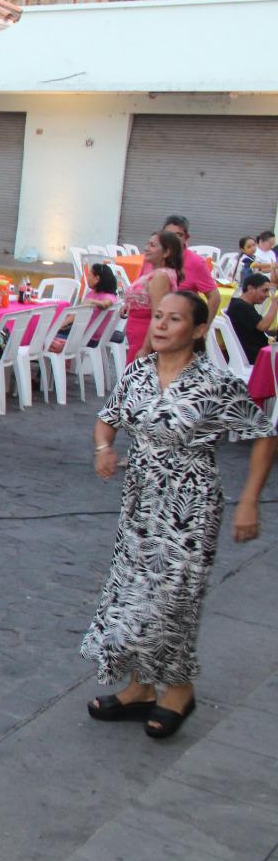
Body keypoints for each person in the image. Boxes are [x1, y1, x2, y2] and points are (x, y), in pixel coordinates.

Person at [86, 291, 275, 739]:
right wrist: (104, 447)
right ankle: (140, 687)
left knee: (173, 600)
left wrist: (250, 500)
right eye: (157, 317)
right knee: (131, 593)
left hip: (189, 504)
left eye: (174, 319)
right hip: (140, 501)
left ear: (198, 330)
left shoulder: (214, 381)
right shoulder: (139, 371)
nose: (162, 326)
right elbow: (107, 417)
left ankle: (179, 690)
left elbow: (263, 434)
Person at [121, 230, 183, 364]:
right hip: (137, 333)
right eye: (147, 244)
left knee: (137, 378)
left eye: (153, 245)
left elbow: (158, 314)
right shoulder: (156, 273)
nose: (147, 248)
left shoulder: (160, 276)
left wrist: (146, 347)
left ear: (166, 252)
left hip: (144, 335)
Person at [161, 214, 219, 318]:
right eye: (168, 234)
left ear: (186, 237)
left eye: (178, 235)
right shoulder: (155, 256)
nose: (172, 239)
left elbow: (214, 297)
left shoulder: (196, 262)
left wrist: (204, 327)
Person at [224, 272, 278, 365]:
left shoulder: (240, 304)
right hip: (254, 356)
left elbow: (256, 328)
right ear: (250, 289)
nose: (267, 295)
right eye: (264, 290)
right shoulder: (240, 307)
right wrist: (275, 304)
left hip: (253, 351)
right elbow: (263, 326)